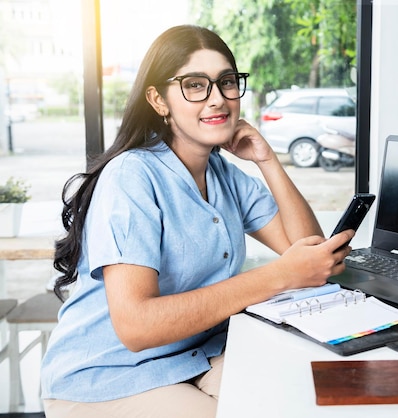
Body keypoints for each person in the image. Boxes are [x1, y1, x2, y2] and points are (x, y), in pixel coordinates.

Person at [40, 24, 354, 418]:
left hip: (195, 356)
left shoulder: (224, 174)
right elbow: (137, 326)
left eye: (226, 82)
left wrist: (267, 160)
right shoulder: (132, 176)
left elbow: (313, 254)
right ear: (158, 100)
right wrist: (280, 275)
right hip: (107, 375)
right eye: (194, 85)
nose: (217, 99)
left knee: (302, 395)